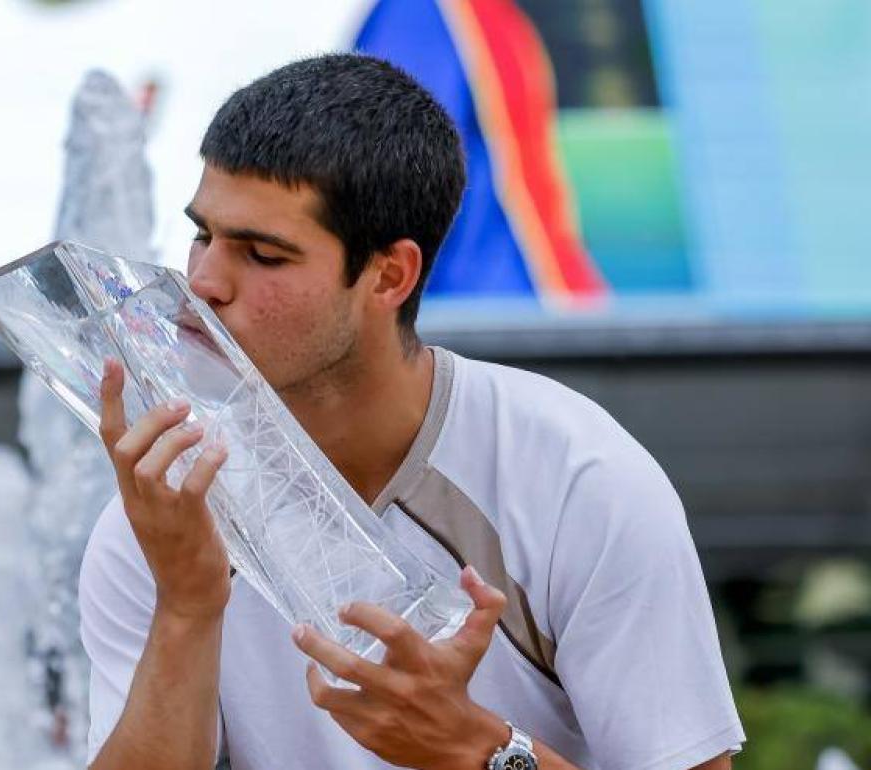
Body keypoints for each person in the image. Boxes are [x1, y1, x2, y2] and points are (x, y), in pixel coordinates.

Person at [79, 54, 744, 770]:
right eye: (204, 234)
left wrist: (477, 749)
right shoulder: (163, 520)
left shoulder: (577, 479)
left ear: (390, 275)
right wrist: (186, 606)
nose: (203, 282)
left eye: (263, 255)